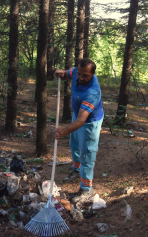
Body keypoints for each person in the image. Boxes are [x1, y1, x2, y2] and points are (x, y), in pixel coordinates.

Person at [54, 58, 104, 203]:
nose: (81, 78)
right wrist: (62, 73)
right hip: (77, 115)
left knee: (87, 153)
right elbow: (68, 73)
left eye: (85, 76)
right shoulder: (77, 71)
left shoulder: (92, 92)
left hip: (89, 122)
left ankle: (86, 189)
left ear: (93, 74)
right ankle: (76, 170)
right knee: (74, 144)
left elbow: (82, 121)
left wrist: (63, 131)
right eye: (80, 74)